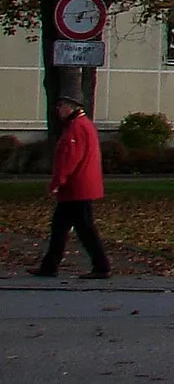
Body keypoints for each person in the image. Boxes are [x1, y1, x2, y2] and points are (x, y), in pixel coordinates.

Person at [34, 86, 110, 279]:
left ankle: (101, 266)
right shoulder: (82, 125)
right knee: (61, 227)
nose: (58, 109)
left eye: (61, 105)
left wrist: (57, 182)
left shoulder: (77, 128)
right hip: (76, 188)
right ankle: (50, 266)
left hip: (77, 188)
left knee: (83, 229)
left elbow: (69, 159)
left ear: (71, 106)